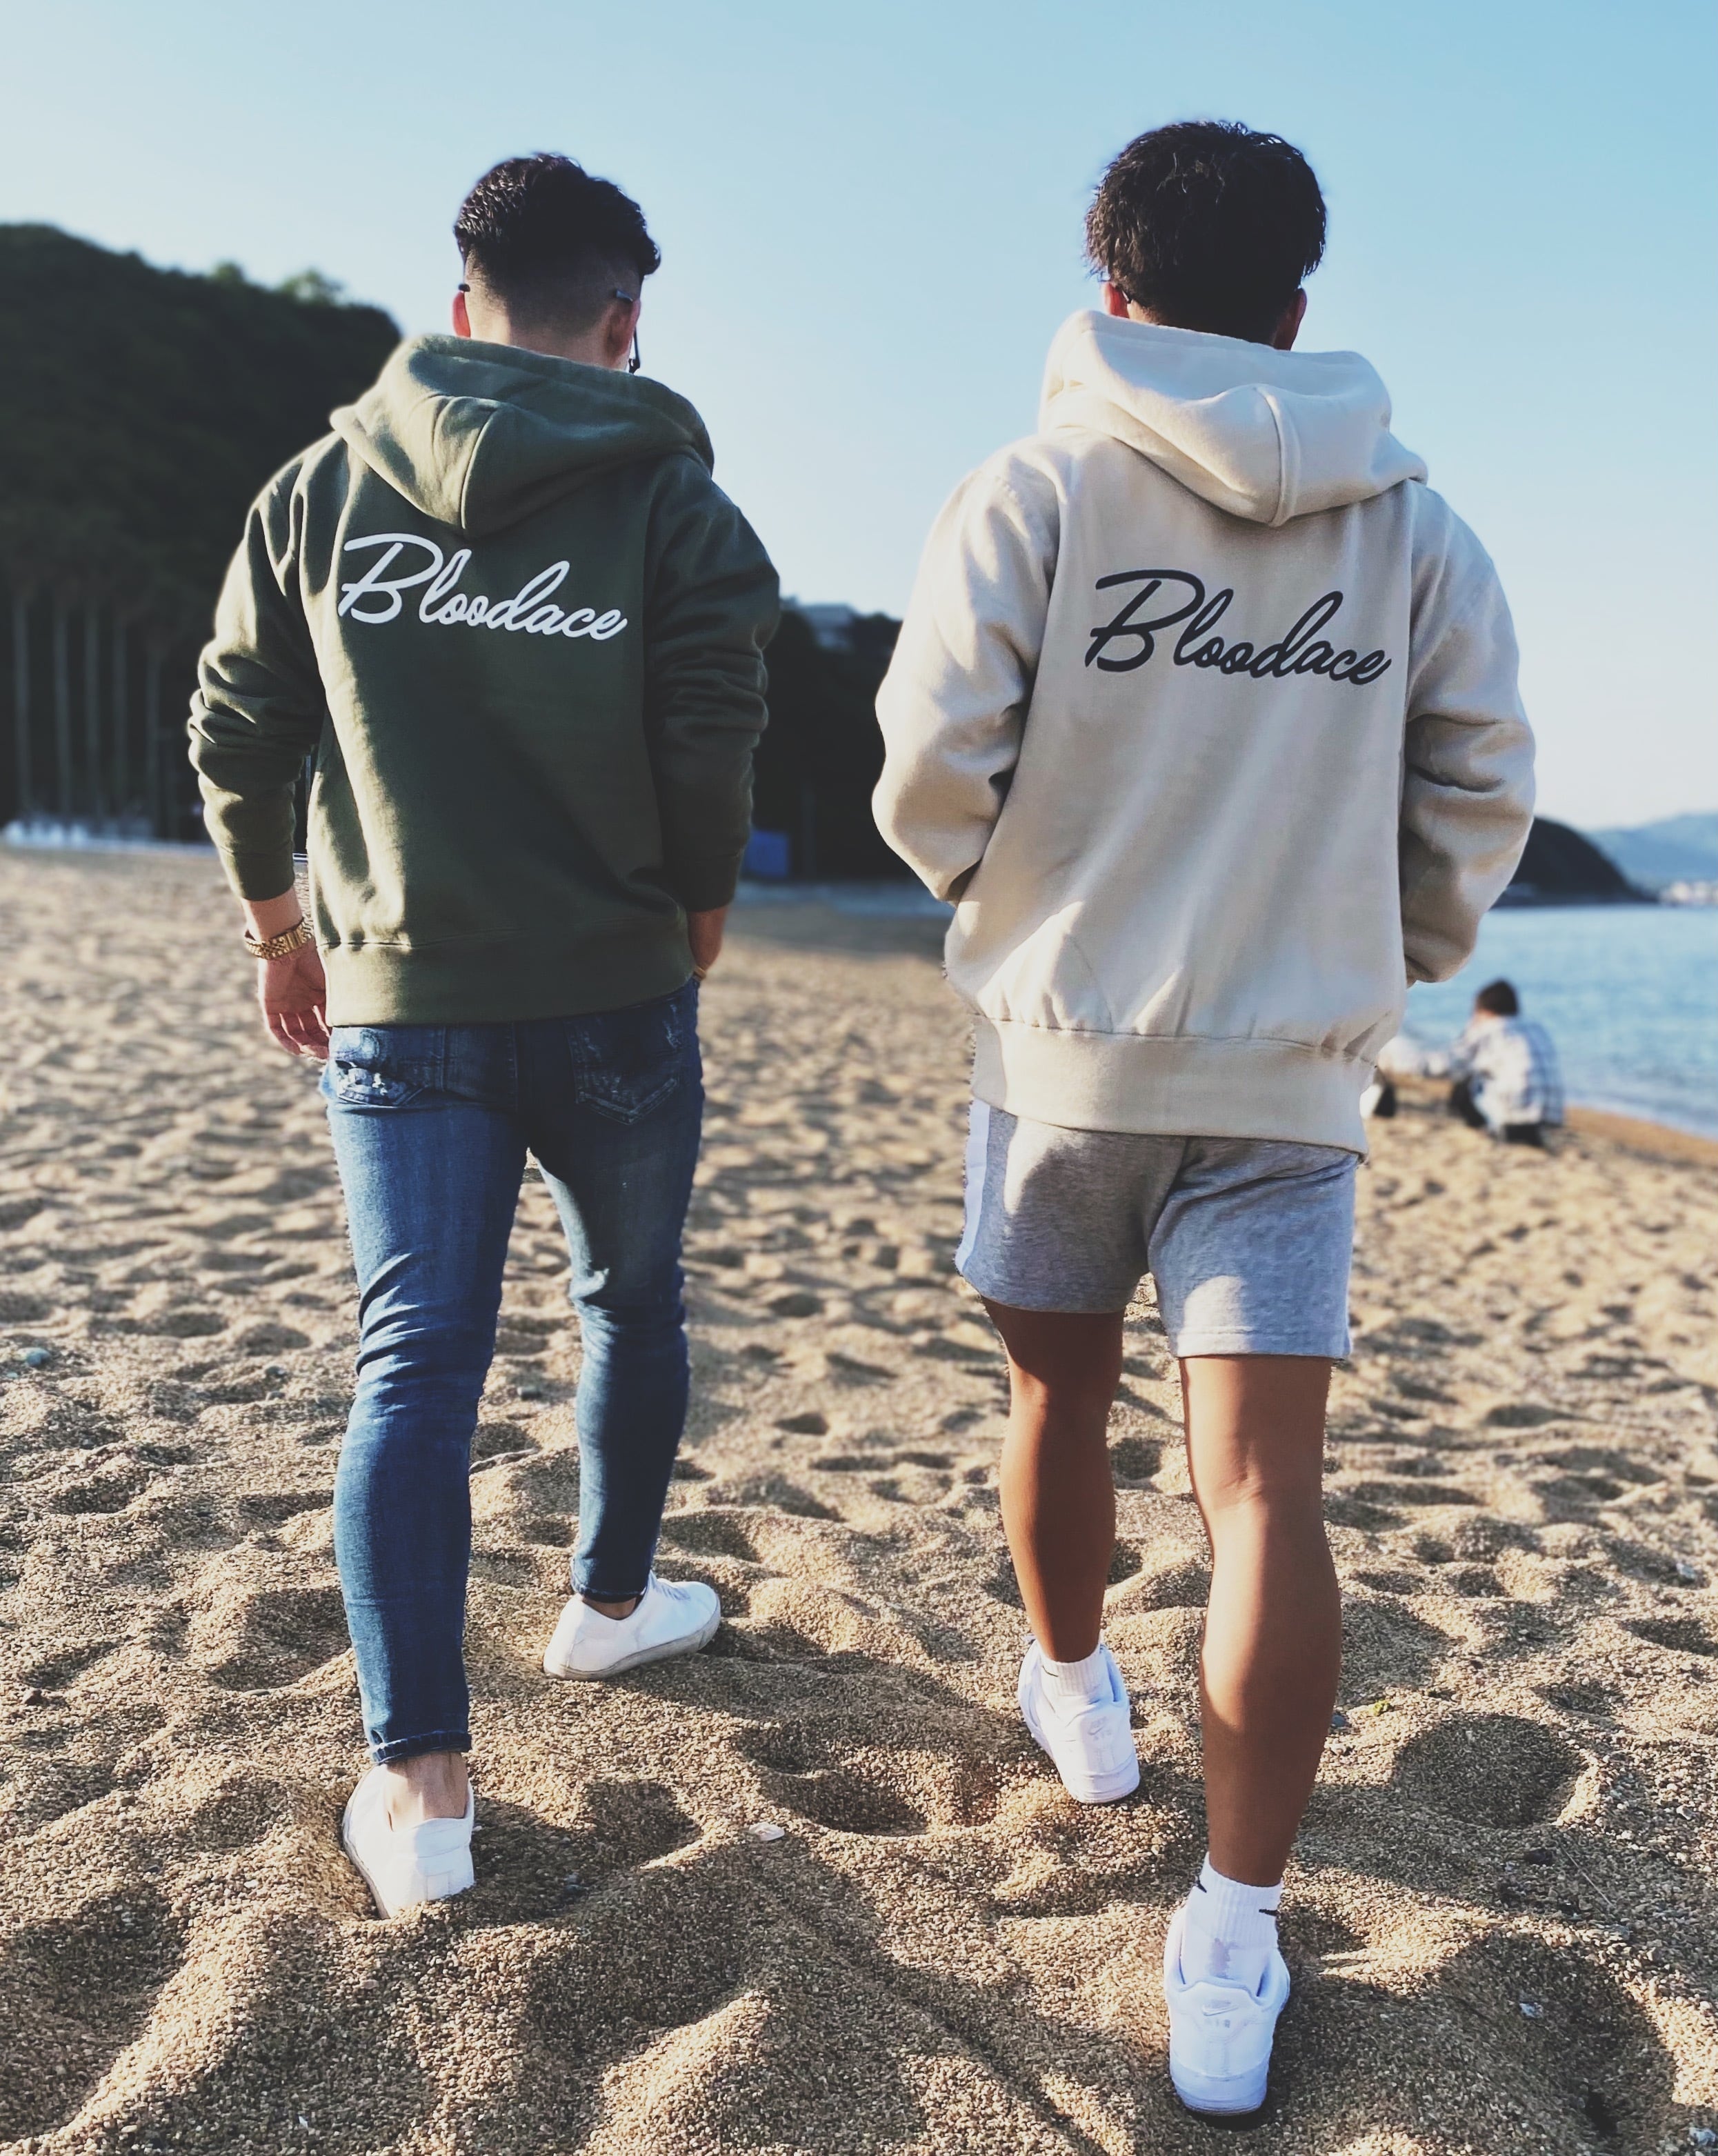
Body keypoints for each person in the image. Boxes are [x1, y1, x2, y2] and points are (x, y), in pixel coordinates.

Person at [874, 121, 1533, 2116]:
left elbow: (925, 760)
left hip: (1064, 1055)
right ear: (1295, 307)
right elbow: (1478, 781)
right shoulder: (1414, 528)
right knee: (1262, 1497)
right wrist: (1386, 956)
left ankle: (1080, 1699)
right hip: (1284, 1083)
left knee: (1054, 1399)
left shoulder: (1033, 485)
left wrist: (1011, 916)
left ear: (1108, 287)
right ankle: (1232, 1931)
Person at [188, 153, 779, 1918]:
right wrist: (697, 904)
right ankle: (609, 1602)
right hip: (616, 987)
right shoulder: (674, 501)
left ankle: (421, 1785)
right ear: (622, 323)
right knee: (632, 1302)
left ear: (461, 306)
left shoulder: (317, 490)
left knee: (415, 1363)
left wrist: (278, 925)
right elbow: (711, 723)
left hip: (405, 997)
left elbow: (237, 725)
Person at [1382, 979, 1564, 1144]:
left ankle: (1484, 1129)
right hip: (1551, 1116)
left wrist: (1399, 1058)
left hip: (1514, 1119)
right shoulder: (1536, 1029)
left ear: (1484, 1012)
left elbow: (1446, 1065)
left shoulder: (1489, 1030)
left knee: (1465, 1081)